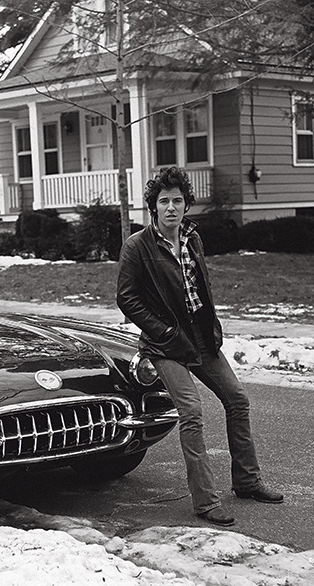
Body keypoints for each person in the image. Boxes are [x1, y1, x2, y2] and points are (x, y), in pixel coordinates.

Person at [116, 166, 283, 527]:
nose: (171, 207)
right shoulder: (138, 246)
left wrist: (213, 324)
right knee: (191, 412)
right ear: (153, 207)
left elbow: (200, 287)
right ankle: (205, 501)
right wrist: (163, 332)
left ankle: (248, 481)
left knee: (237, 399)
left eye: (177, 200)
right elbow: (127, 299)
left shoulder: (193, 238)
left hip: (201, 337)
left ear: (186, 204)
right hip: (165, 344)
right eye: (164, 201)